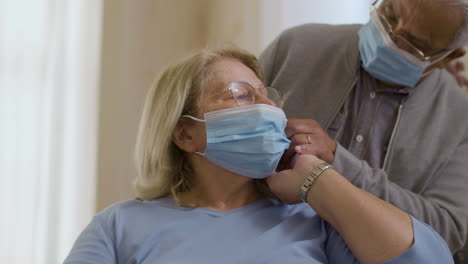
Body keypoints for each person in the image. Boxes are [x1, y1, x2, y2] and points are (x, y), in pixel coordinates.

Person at [64, 47, 453, 264]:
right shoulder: (119, 227)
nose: (269, 108)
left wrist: (317, 179)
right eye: (241, 94)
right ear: (185, 133)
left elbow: (427, 261)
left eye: (268, 95)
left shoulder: (313, 222)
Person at [259, 0, 468, 262]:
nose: (391, 37)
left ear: (448, 56)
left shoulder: (459, 119)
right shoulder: (295, 46)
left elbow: (444, 230)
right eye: (389, 14)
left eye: (412, 43)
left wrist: (338, 164)